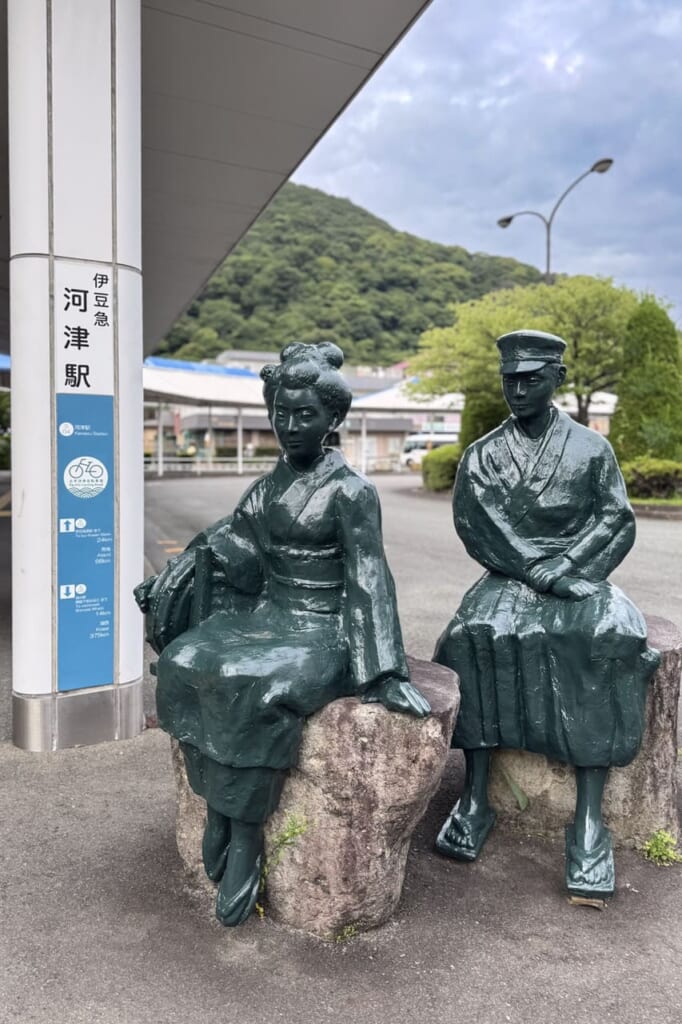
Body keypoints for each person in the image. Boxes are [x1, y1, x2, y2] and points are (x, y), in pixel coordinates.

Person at [135, 341, 429, 926]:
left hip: (323, 627)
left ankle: (244, 832)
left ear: (334, 419)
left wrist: (385, 669)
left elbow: (369, 579)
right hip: (266, 614)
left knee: (252, 682)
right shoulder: (266, 486)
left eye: (306, 415)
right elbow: (232, 542)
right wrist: (195, 563)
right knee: (187, 659)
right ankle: (219, 803)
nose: (291, 427)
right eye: (283, 414)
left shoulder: (351, 491)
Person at [433, 329, 660, 898]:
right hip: (509, 576)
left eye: (530, 378)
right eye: (509, 378)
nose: (517, 389)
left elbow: (615, 519)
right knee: (469, 635)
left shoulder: (590, 448)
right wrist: (535, 569)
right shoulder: (483, 454)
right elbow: (478, 525)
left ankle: (588, 820)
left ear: (557, 378)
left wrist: (569, 570)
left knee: (608, 635)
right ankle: (475, 793)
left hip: (579, 575)